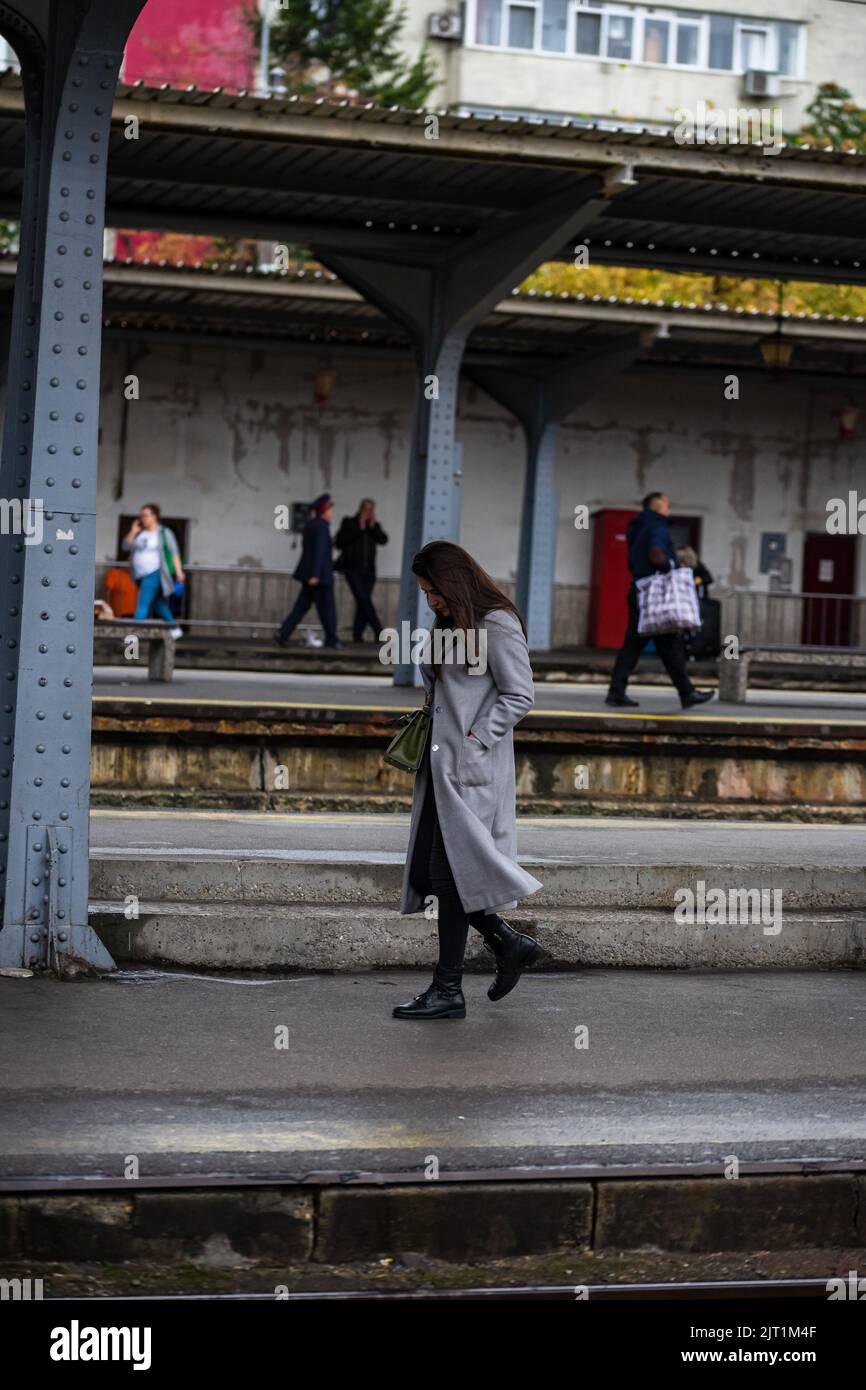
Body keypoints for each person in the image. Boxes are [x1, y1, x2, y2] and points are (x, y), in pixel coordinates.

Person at [393, 541, 544, 1021]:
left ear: (453, 581)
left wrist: (476, 739)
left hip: (472, 770)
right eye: (424, 592)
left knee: (450, 874)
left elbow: (520, 694)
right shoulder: (450, 623)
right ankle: (508, 943)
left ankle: (448, 989)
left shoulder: (496, 624)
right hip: (441, 768)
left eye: (433, 590)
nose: (430, 600)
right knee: (430, 873)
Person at [606, 492, 714, 709]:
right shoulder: (656, 525)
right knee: (664, 644)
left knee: (642, 644)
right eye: (666, 506)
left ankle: (618, 692)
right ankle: (687, 693)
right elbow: (656, 553)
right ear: (657, 508)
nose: (669, 510)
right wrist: (669, 567)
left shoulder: (637, 526)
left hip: (640, 590)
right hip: (654, 595)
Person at [276, 493, 341, 648]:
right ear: (324, 510)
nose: (331, 512)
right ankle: (332, 639)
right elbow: (319, 552)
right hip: (320, 576)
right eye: (330, 509)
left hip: (311, 575)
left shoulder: (312, 525)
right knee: (327, 609)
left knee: (302, 606)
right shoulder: (321, 527)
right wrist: (316, 574)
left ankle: (284, 633)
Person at [121, 504, 184, 640]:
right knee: (156, 602)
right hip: (139, 574)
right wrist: (133, 531)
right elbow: (125, 547)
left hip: (155, 572)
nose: (143, 518)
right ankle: (174, 628)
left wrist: (179, 571)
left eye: (146, 515)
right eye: (141, 516)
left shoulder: (163, 532)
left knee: (142, 603)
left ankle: (133, 641)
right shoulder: (140, 533)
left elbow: (174, 552)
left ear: (154, 516)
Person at [334, 499, 388, 643]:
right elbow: (339, 542)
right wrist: (360, 527)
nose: (368, 512)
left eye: (371, 510)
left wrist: (372, 527)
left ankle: (357, 636)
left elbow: (383, 540)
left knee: (363, 601)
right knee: (364, 599)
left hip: (369, 570)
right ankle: (379, 631)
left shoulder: (374, 526)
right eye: (366, 509)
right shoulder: (349, 522)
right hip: (352, 569)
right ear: (360, 509)